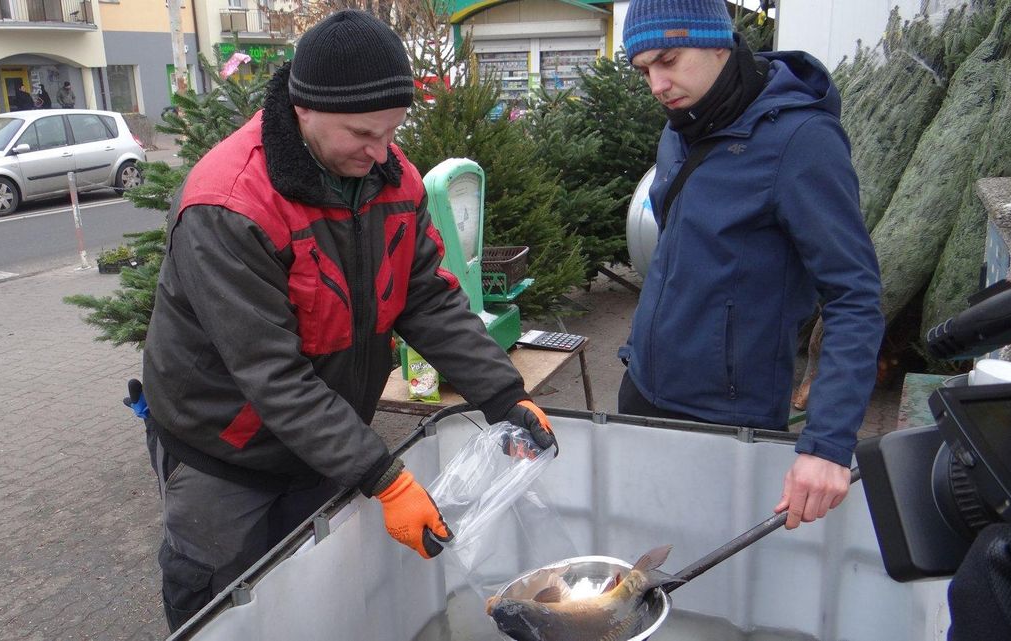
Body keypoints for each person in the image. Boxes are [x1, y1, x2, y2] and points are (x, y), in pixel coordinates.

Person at [138, 9, 556, 631]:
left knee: (309, 600)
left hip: (320, 445)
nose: (382, 151)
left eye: (392, 130)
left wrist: (503, 392)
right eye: (364, 133)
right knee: (221, 609)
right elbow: (270, 373)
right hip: (223, 451)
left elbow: (426, 297)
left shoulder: (391, 178)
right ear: (304, 109)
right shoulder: (229, 205)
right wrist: (381, 477)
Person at [618, 0, 883, 530]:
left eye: (668, 59)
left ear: (719, 41)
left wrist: (828, 443)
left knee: (708, 575)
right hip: (641, 387)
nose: (657, 84)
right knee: (638, 548)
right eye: (644, 68)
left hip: (726, 417)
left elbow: (855, 297)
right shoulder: (678, 129)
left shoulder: (801, 141)